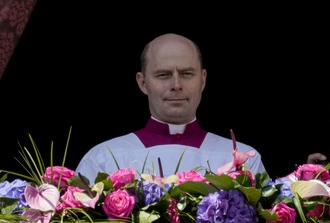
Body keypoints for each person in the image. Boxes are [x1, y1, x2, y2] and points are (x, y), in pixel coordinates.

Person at [75, 33, 266, 182]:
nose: (176, 84)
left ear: (203, 80)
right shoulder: (104, 158)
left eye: (186, 73)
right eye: (163, 75)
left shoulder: (244, 160)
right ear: (142, 83)